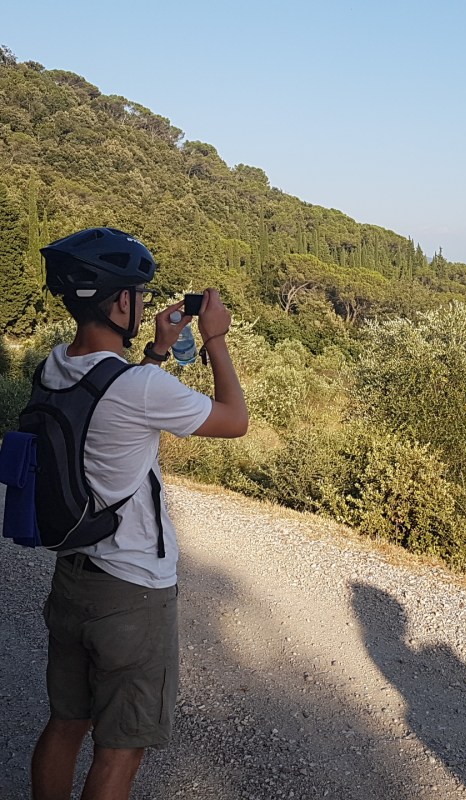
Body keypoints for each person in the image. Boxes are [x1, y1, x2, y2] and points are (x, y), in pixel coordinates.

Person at [29, 227, 248, 800]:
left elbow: (111, 394)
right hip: (132, 590)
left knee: (66, 723)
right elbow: (233, 419)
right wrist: (215, 340)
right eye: (140, 295)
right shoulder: (140, 386)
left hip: (73, 576)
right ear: (121, 302)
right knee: (121, 747)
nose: (146, 304)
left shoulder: (51, 368)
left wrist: (155, 349)